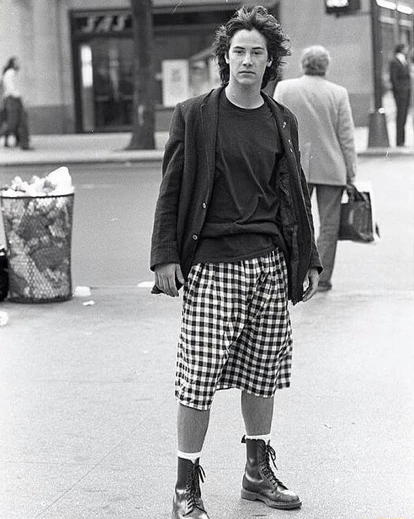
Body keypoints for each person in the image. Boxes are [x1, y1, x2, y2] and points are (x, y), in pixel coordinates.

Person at [150, 7, 322, 518]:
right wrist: (165, 256)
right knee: (198, 377)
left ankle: (256, 473)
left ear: (271, 62)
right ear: (226, 59)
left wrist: (306, 259)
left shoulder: (280, 119)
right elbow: (172, 189)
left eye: (257, 52)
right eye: (239, 51)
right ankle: (186, 486)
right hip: (213, 263)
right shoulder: (196, 115)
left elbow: (294, 193)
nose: (247, 60)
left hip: (269, 264)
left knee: (262, 374)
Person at [274, 45, 357, 292]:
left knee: (292, 220)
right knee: (329, 226)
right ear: (326, 66)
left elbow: (275, 128)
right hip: (332, 168)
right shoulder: (338, 93)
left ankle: (291, 272)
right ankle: (323, 278)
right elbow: (346, 137)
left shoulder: (285, 88)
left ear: (303, 64)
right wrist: (351, 172)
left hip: (294, 165)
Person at [0, 57, 31, 150]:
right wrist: (21, 97)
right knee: (15, 122)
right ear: (13, 64)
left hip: (12, 99)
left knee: (16, 122)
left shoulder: (11, 74)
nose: (19, 64)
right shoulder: (10, 73)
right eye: (17, 63)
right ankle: (24, 143)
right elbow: (12, 88)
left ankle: (23, 143)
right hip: (13, 100)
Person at [389, 43, 412, 147]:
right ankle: (399, 140)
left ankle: (402, 140)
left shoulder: (404, 61)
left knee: (404, 116)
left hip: (405, 92)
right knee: (401, 116)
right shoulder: (395, 62)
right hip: (401, 93)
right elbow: (394, 79)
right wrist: (399, 91)